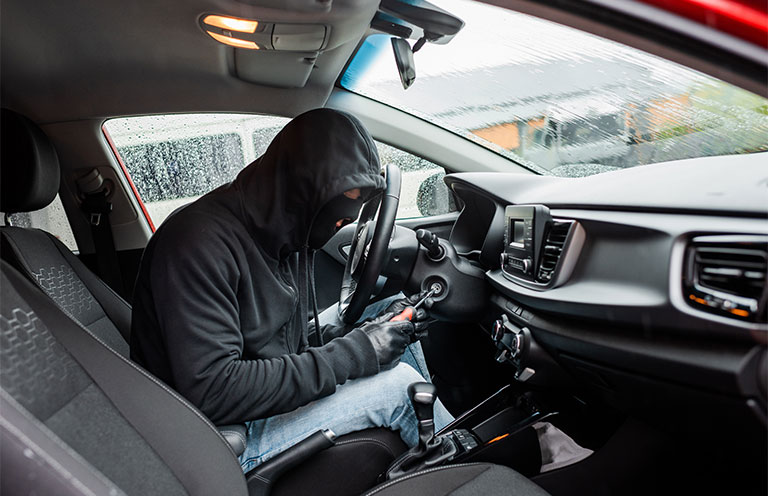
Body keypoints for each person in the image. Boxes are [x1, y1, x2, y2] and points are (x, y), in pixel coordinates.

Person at [130, 108, 453, 474]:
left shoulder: (286, 235)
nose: (346, 218)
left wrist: (366, 334)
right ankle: (472, 475)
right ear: (302, 189)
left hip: (255, 405)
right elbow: (213, 390)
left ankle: (439, 460)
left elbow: (280, 347)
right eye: (343, 202)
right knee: (403, 388)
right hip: (220, 439)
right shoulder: (196, 244)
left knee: (391, 313)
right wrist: (359, 350)